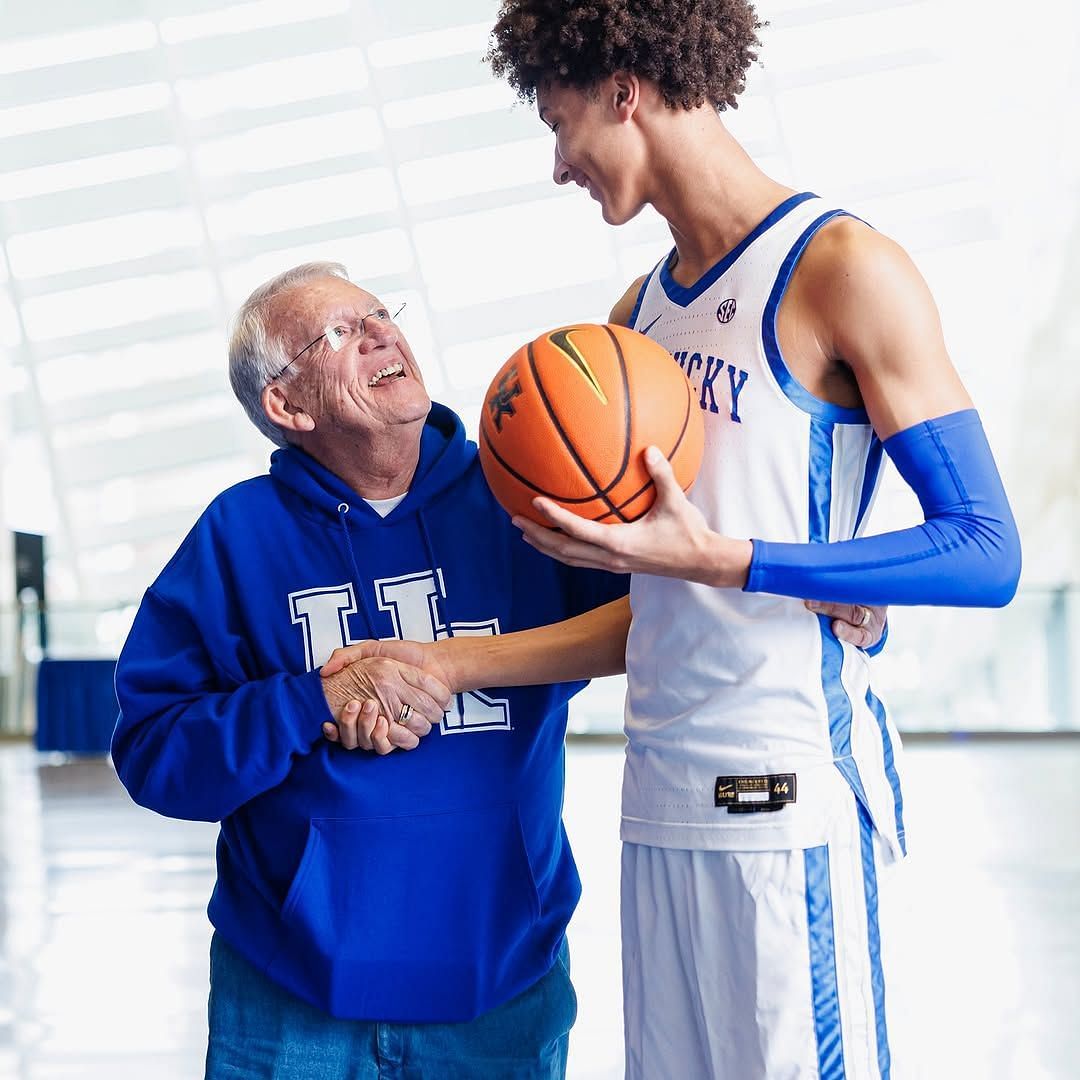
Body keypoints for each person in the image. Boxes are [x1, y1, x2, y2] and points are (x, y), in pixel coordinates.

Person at [327, 3, 1022, 1078]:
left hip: (786, 803)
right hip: (654, 809)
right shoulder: (635, 321)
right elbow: (653, 607)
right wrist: (446, 663)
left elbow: (985, 550)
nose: (560, 164)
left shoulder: (841, 267)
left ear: (623, 89)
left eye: (561, 124)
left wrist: (746, 562)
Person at [110, 260, 636, 1079]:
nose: (380, 332)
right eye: (339, 333)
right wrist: (310, 701)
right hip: (288, 999)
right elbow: (153, 756)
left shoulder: (530, 495)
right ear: (286, 406)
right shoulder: (235, 537)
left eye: (379, 314)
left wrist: (807, 587)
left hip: (500, 984)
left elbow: (671, 621)